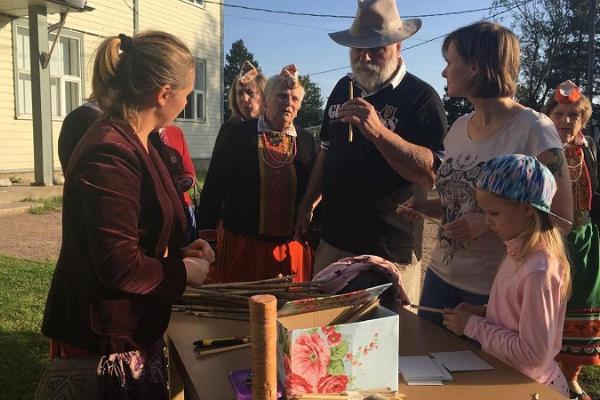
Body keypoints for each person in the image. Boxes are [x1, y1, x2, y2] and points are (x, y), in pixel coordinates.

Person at [41, 32, 213, 399]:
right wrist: (183, 273)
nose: (187, 101)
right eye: (187, 93)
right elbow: (119, 265)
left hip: (129, 328)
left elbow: (138, 231)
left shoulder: (141, 140)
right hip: (104, 340)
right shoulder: (109, 151)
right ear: (163, 94)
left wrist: (181, 252)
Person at [399, 21, 573, 327]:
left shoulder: (535, 130)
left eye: (450, 62)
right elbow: (465, 202)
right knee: (425, 370)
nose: (443, 72)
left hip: (492, 291)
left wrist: (488, 224)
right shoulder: (457, 129)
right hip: (439, 278)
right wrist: (429, 207)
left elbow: (561, 222)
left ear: (475, 67)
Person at [294, 0, 447, 303]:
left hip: (389, 249)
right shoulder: (342, 88)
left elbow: (430, 173)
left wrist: (379, 132)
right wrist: (307, 203)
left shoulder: (421, 98)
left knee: (389, 339)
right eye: (357, 48)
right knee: (326, 337)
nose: (364, 57)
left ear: (398, 45)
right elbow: (326, 152)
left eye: (376, 48)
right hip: (334, 240)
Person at [443, 154, 571, 397]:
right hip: (506, 377)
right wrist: (485, 311)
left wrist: (473, 326)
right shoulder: (516, 250)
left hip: (531, 388)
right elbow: (520, 314)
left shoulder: (539, 270)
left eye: (494, 214)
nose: (488, 222)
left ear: (526, 210)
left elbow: (533, 355)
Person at [196, 65, 316, 282]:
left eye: (294, 99)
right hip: (242, 248)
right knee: (242, 313)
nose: (288, 103)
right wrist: (208, 239)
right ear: (267, 99)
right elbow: (214, 188)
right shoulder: (238, 134)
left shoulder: (307, 142)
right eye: (281, 96)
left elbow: (317, 189)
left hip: (292, 251)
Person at [543, 81, 600, 400]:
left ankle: (571, 375)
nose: (566, 120)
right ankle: (545, 371)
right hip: (550, 238)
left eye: (574, 115)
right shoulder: (541, 146)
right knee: (550, 306)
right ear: (550, 115)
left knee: (583, 304)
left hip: (584, 239)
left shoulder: (589, 147)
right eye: (560, 113)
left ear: (583, 120)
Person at [150, 124, 198, 245]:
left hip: (183, 206)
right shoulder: (144, 136)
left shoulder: (176, 132)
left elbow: (189, 170)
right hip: (160, 212)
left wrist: (188, 180)